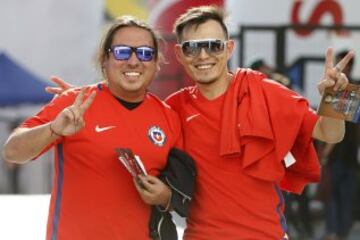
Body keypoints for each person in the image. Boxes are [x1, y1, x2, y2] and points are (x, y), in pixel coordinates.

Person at [44, 6, 354, 239]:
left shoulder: (266, 91)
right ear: (179, 54)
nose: (203, 55)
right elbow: (130, 109)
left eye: (213, 45)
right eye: (192, 47)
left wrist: (339, 96)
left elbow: (330, 132)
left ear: (229, 48)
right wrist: (89, 96)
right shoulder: (174, 107)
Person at [2, 16, 184, 240]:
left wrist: (166, 197)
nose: (134, 61)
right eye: (122, 52)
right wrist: (53, 129)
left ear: (156, 63)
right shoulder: (74, 103)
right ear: (104, 59)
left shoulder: (170, 118)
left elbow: (186, 192)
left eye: (145, 53)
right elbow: (12, 152)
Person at [320, 50, 359, 240]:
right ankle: (342, 232)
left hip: (339, 154)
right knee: (345, 197)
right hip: (351, 154)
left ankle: (333, 232)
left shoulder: (345, 88)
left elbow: (336, 120)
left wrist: (325, 153)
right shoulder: (353, 86)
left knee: (332, 196)